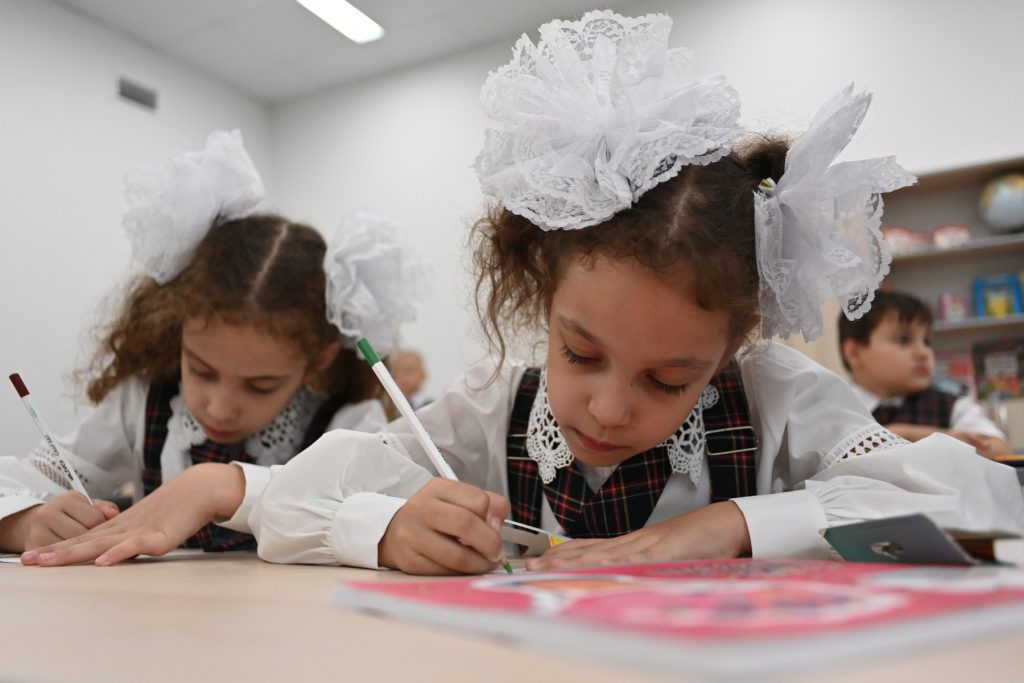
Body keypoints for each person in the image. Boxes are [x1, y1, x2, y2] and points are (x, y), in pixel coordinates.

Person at [28, 12, 1024, 571]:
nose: (607, 407)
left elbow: (973, 492)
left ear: (730, 348)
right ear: (538, 292)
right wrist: (383, 525)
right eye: (581, 351)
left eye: (670, 378)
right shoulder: (486, 410)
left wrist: (722, 525)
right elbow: (304, 492)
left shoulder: (775, 398)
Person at [4, 131, 423, 560]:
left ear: (319, 361)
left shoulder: (350, 424)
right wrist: (26, 521)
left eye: (260, 386)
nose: (219, 409)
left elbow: (392, 518)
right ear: (177, 329)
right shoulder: (142, 401)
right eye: (201, 371)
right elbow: (13, 483)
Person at [838, 290, 1011, 458]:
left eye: (926, 341)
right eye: (904, 339)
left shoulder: (952, 406)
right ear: (855, 354)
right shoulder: (836, 410)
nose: (923, 353)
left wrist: (904, 434)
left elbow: (998, 450)